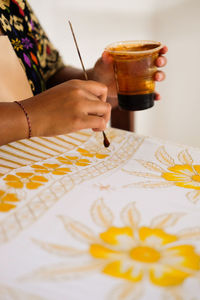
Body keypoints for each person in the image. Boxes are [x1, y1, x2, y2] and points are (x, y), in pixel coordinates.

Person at [0, 0, 167, 146]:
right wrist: (32, 117)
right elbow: (40, 111)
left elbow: (48, 74)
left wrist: (95, 81)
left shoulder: (12, 4)